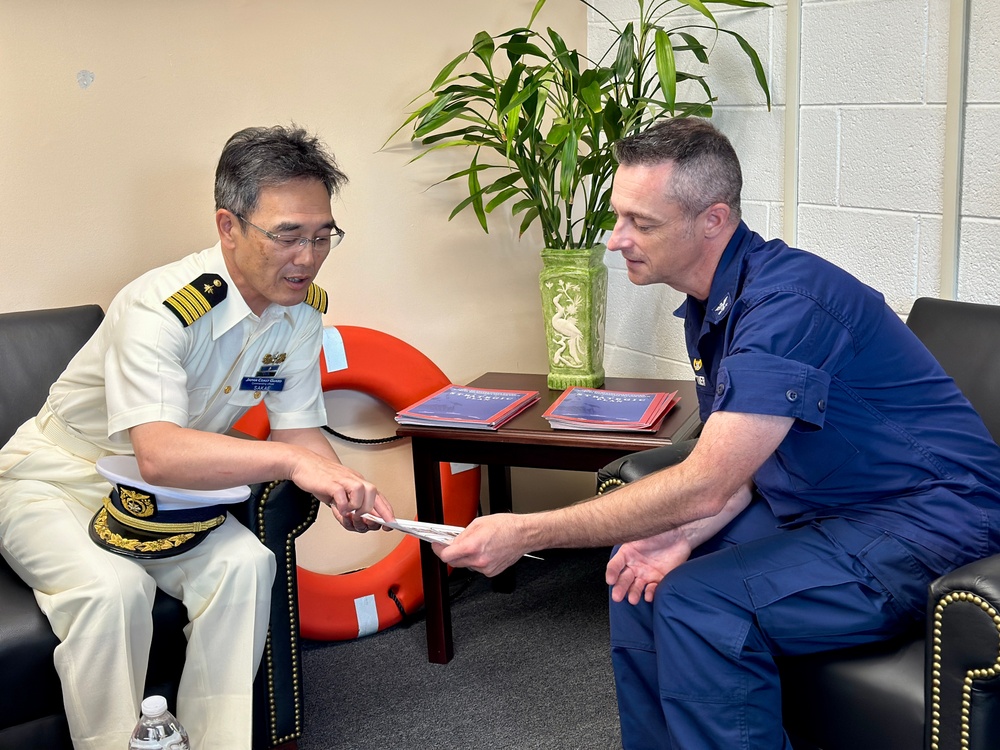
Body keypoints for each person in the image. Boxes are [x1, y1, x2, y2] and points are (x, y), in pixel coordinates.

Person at [434, 117, 1000, 748]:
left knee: (702, 603)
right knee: (637, 579)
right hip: (823, 508)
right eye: (618, 216)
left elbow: (706, 484)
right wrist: (675, 537)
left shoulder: (786, 305)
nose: (617, 239)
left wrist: (527, 531)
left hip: (928, 520)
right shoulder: (716, 302)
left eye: (642, 223)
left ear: (713, 220)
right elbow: (738, 471)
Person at [0, 125, 396, 750]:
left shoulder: (300, 314)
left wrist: (346, 484)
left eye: (323, 235)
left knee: (247, 564)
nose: (309, 256)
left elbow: (298, 427)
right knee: (113, 591)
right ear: (228, 225)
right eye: (288, 234)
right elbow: (157, 451)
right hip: (56, 480)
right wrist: (293, 462)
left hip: (160, 502)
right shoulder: (161, 307)